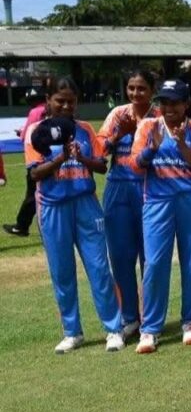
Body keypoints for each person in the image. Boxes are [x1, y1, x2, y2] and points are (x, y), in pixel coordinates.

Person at [26, 77, 124, 353]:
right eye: (60, 101)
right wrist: (59, 159)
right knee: (62, 272)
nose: (66, 106)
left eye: (71, 101)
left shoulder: (84, 129)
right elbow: (34, 173)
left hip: (86, 204)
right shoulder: (37, 131)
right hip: (53, 207)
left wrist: (82, 158)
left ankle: (113, 329)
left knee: (99, 269)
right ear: (48, 100)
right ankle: (72, 333)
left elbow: (101, 167)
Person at [130, 79, 191, 354]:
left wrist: (181, 145)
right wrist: (152, 148)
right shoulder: (148, 127)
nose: (169, 108)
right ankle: (150, 329)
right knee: (154, 263)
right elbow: (135, 166)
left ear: (186, 104)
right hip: (157, 201)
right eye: (164, 102)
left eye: (175, 103)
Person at [96, 70, 161, 339]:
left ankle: (150, 319)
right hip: (118, 188)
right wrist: (117, 135)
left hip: (150, 188)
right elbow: (98, 151)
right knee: (120, 256)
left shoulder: (160, 116)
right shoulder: (118, 114)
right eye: (131, 87)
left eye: (142, 88)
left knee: (150, 257)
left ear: (153, 90)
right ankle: (129, 318)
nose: (135, 93)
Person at [4, 89, 48, 237]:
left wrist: (20, 133)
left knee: (32, 193)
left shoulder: (34, 112)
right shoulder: (47, 109)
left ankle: (21, 226)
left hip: (36, 158)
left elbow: (27, 134)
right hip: (51, 157)